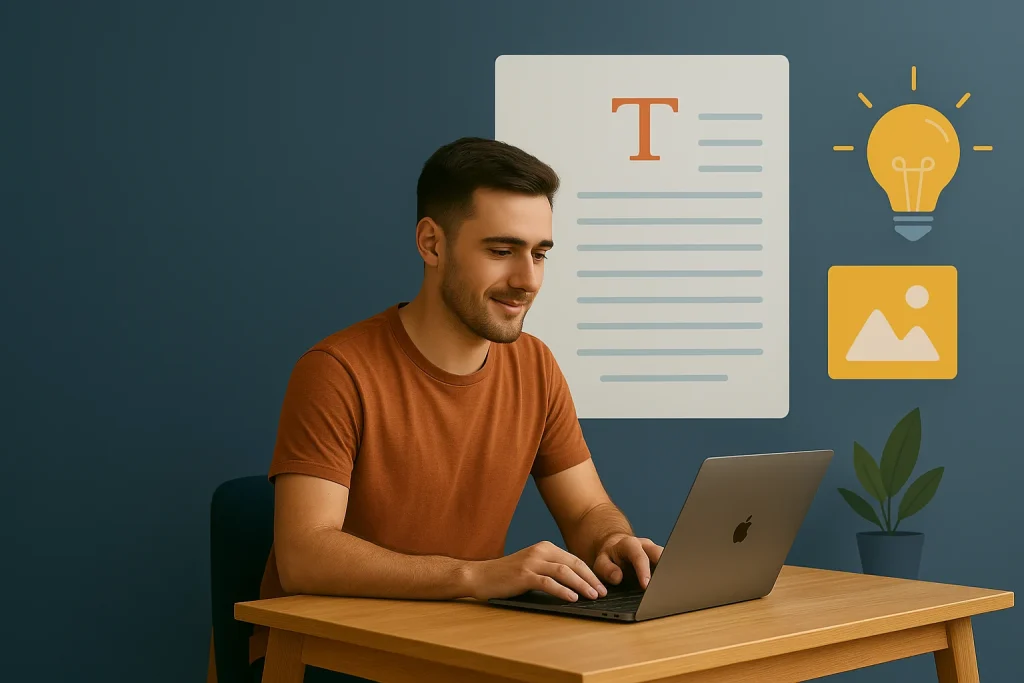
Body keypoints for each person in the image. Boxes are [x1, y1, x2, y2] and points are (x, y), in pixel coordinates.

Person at [248, 137, 663, 682]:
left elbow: (588, 510)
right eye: (501, 251)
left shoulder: (536, 366)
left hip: (462, 647)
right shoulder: (336, 370)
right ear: (431, 244)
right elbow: (304, 555)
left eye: (539, 253)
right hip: (327, 654)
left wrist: (612, 542)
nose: (528, 280)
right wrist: (475, 576)